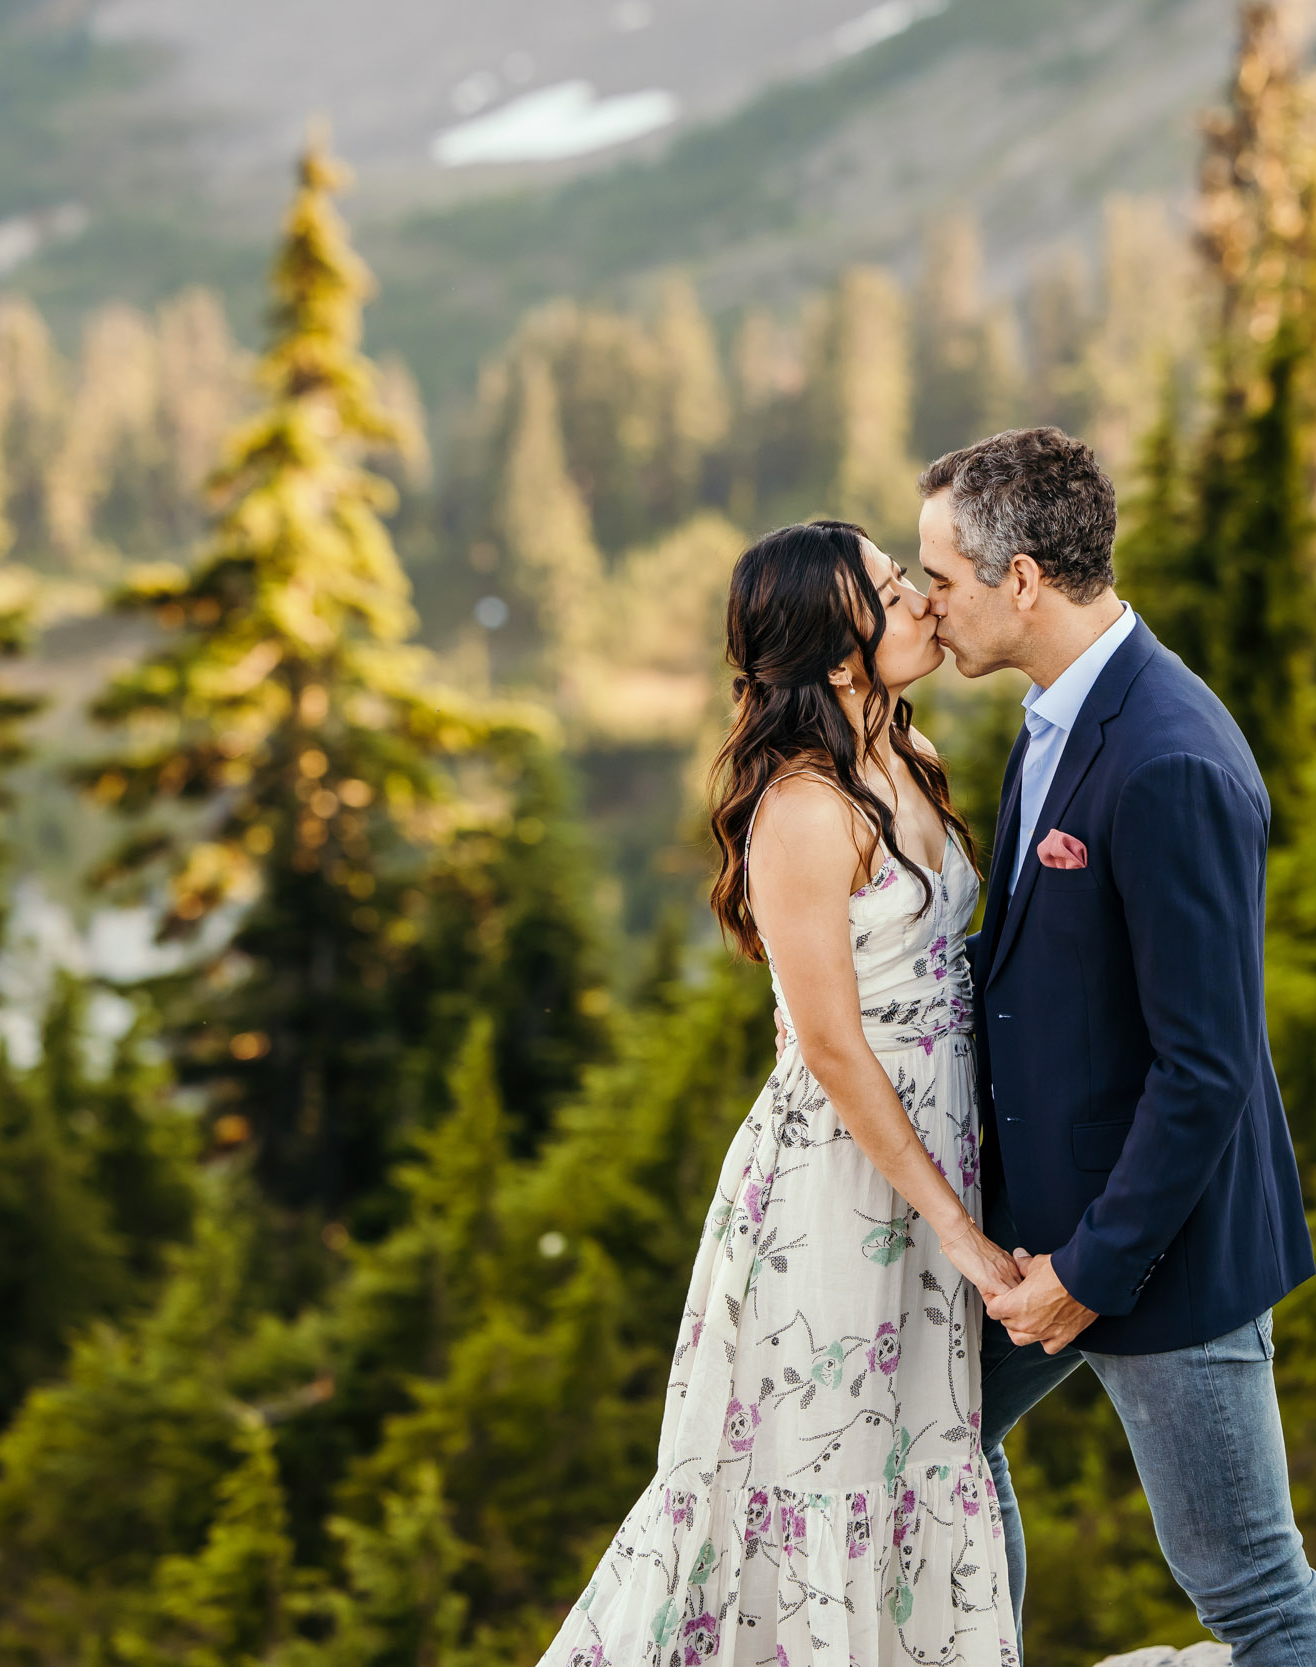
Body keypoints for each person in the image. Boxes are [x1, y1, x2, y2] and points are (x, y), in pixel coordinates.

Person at [537, 520, 1022, 1667]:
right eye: (893, 588)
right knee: (827, 1474)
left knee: (921, 1451)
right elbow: (831, 1046)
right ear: (841, 650)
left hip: (926, 1167)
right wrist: (956, 1223)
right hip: (837, 1196)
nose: (921, 601)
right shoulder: (804, 808)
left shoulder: (906, 755)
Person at [915, 426, 1316, 1667]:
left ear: (1023, 581)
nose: (924, 600)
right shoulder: (1060, 712)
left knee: (1248, 1580)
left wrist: (1088, 1271)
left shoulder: (1168, 759)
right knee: (935, 1442)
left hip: (1161, 1252)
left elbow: (1206, 1066)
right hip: (1053, 1224)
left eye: (940, 575)